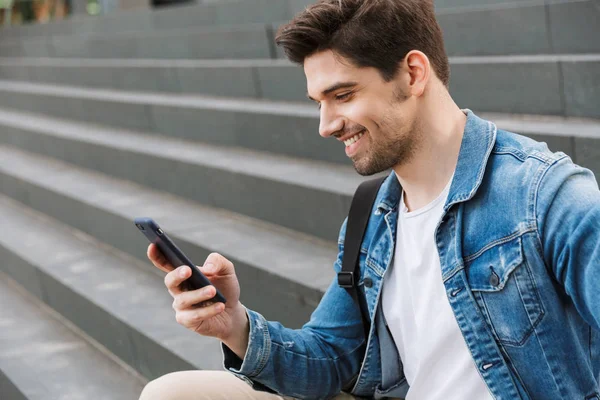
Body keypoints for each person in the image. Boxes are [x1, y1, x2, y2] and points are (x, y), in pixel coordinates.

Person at [139, 0, 600, 399]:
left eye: (342, 95)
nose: (326, 124)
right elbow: (327, 359)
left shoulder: (546, 198)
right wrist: (233, 324)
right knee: (171, 394)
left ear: (413, 73)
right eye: (318, 101)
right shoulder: (373, 216)